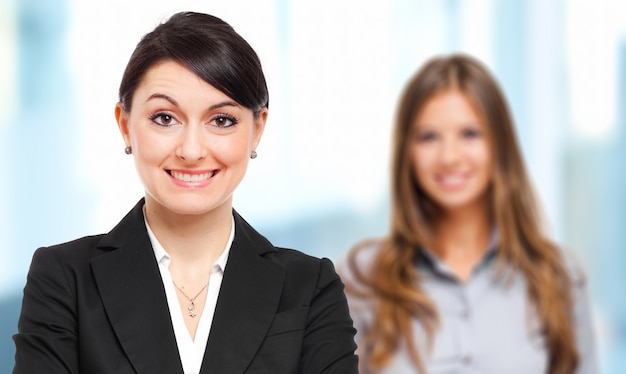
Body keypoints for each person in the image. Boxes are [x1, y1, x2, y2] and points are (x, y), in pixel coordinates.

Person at [13, 12, 358, 374]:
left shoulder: (310, 287)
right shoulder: (65, 280)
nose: (191, 151)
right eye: (165, 118)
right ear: (125, 125)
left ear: (257, 130)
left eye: (221, 120)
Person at [339, 54, 597, 374]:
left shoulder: (559, 277)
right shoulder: (362, 279)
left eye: (470, 134)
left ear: (499, 145)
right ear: (407, 151)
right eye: (428, 137)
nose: (450, 156)